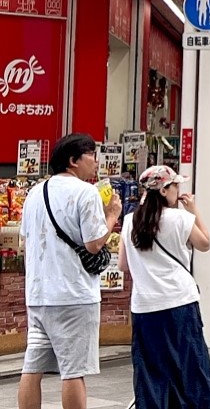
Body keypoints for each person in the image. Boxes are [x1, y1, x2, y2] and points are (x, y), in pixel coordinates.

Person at [17, 134, 123, 409]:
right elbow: (94, 244)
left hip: (38, 294)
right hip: (74, 295)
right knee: (74, 370)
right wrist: (112, 214)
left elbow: (25, 243)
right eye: (91, 155)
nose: (96, 162)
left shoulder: (35, 193)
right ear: (74, 161)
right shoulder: (85, 192)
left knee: (32, 367)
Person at [119, 166, 210, 409]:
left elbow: (123, 265)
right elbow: (205, 243)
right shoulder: (179, 218)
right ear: (163, 190)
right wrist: (193, 210)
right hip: (179, 301)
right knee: (190, 364)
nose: (178, 189)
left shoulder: (130, 221)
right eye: (175, 185)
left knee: (151, 370)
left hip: (145, 306)